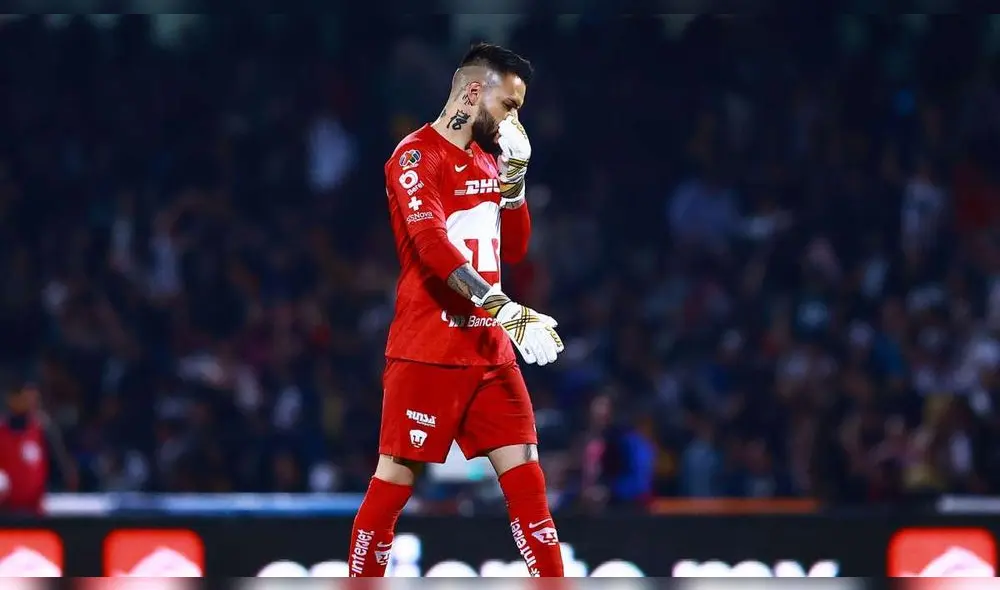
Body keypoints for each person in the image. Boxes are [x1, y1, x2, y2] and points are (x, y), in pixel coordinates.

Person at [348, 43, 566, 577]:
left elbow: (515, 249)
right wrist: (507, 311)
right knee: (395, 482)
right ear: (473, 92)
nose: (514, 120)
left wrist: (515, 180)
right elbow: (432, 248)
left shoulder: (492, 157)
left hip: (489, 350)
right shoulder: (415, 156)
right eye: (508, 105)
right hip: (430, 348)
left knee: (527, 478)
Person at [0, 372, 77, 516]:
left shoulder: (43, 429)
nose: (29, 401)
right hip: (5, 515)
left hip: (35, 515)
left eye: (32, 396)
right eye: (23, 396)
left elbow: (64, 470)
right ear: (11, 398)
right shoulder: (2, 432)